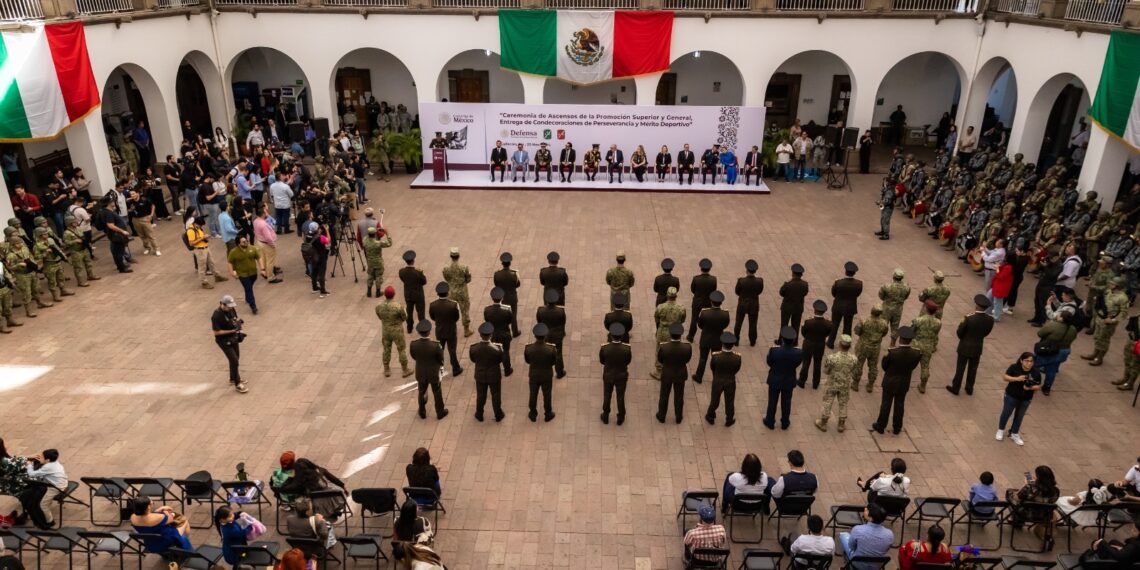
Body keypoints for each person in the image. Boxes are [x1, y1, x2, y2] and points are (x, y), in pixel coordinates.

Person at [871, 326, 921, 435]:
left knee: (886, 404)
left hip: (890, 381)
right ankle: (897, 427)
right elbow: (913, 366)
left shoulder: (893, 352)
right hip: (904, 382)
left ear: (901, 339)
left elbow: (884, 366)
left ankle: (881, 425)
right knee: (900, 404)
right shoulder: (916, 353)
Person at [947, 295, 995, 396]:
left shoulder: (969, 318)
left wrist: (965, 338)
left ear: (976, 306)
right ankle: (969, 388)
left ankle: (956, 388)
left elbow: (960, 332)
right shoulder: (990, 319)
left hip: (965, 346)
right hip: (978, 346)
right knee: (973, 369)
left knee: (960, 368)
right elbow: (987, 332)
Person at [995, 352, 1042, 446]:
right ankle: (1000, 430)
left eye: (1031, 361)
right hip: (1011, 396)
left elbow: (1038, 386)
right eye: (1026, 361)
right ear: (1021, 360)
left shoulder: (1036, 372)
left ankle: (1014, 433)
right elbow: (1005, 377)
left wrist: (1030, 388)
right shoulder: (1014, 367)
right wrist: (1017, 379)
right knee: (1006, 413)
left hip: (1026, 398)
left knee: (1019, 416)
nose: (1029, 363)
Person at [1083, 276, 1129, 366]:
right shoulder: (1108, 291)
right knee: (1097, 336)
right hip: (1100, 318)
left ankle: (1099, 358)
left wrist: (1113, 320)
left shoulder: (1123, 298)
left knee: (1104, 340)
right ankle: (1094, 353)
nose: (1110, 284)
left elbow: (1123, 313)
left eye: (1112, 284)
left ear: (1118, 286)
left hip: (1109, 322)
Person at [814, 334, 857, 432]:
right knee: (843, 403)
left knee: (828, 401)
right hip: (845, 385)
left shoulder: (832, 358)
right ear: (849, 346)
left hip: (832, 383)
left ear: (839, 344)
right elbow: (854, 370)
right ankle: (841, 425)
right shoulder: (854, 359)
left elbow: (826, 371)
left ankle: (823, 423)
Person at [279, 459, 348, 519]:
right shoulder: (320, 471)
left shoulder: (301, 484)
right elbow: (333, 478)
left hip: (316, 508)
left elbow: (282, 489)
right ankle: (334, 511)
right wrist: (343, 486)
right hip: (335, 500)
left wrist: (290, 477)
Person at [763, 326, 803, 431]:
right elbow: (797, 364)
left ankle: (770, 421)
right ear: (793, 340)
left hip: (775, 378)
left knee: (772, 401)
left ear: (782, 339)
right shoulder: (798, 353)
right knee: (786, 402)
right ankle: (785, 422)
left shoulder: (774, 350)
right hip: (788, 380)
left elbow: (769, 362)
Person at [410, 320, 448, 420]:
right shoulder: (436, 345)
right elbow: (441, 359)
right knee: (437, 392)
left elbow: (414, 356)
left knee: (421, 392)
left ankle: (422, 411)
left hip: (421, 371)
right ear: (429, 331)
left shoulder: (413, 344)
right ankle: (440, 412)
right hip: (433, 372)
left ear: (418, 332)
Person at [375, 286, 415, 378]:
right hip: (397, 331)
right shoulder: (398, 306)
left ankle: (386, 369)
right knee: (401, 349)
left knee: (386, 349)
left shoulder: (379, 306)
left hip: (386, 330)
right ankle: (405, 370)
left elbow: (379, 315)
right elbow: (404, 317)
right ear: (394, 294)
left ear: (385, 294)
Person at [657, 322, 693, 424]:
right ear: (681, 334)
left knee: (664, 395)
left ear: (670, 333)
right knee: (679, 396)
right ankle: (678, 417)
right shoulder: (687, 347)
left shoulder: (664, 347)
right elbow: (687, 359)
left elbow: (660, 359)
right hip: (680, 374)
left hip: (667, 373)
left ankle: (662, 416)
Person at [21, 449, 66, 528]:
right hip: (61, 482)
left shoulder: (48, 467)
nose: (39, 458)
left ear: (47, 460)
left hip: (56, 487)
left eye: (41, 457)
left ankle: (50, 522)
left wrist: (29, 465)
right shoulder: (54, 462)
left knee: (43, 505)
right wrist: (41, 460)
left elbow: (32, 474)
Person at [470, 322, 505, 422]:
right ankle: (498, 414)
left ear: (480, 335)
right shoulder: (498, 349)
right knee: (496, 394)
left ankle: (479, 414)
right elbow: (500, 359)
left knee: (481, 395)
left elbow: (473, 359)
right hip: (494, 375)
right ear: (491, 335)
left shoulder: (473, 348)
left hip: (480, 374)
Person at [839, 503, 893, 569]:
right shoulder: (889, 534)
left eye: (867, 510)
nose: (865, 509)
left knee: (843, 535)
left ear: (870, 518)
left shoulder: (858, 529)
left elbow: (852, 547)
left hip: (857, 563)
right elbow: (885, 550)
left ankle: (847, 562)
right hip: (876, 566)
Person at [1007, 465, 1060, 532]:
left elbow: (1016, 498)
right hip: (1043, 516)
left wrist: (1026, 485)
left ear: (1039, 478)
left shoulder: (1030, 487)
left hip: (1025, 514)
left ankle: (1018, 522)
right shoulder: (1056, 491)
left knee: (1009, 493)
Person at [1035, 311, 1077, 395]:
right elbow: (1073, 338)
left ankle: (1034, 383)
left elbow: (1040, 333)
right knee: (1052, 370)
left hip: (1048, 350)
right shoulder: (1073, 329)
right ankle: (1047, 388)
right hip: (1063, 351)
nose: (1057, 315)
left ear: (1062, 318)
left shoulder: (1053, 325)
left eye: (1059, 314)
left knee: (1035, 366)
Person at [705, 332, 742, 426]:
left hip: (718, 380)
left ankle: (710, 416)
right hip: (730, 381)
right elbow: (737, 369)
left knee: (714, 399)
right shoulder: (737, 357)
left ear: (722, 344)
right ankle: (729, 419)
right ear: (733, 345)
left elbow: (712, 367)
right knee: (729, 401)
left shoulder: (716, 356)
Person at [693, 291, 730, 384]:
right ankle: (716, 377)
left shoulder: (705, 313)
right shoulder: (725, 314)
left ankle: (699, 376)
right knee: (716, 359)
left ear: (711, 301)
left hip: (705, 338)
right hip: (718, 339)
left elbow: (700, 325)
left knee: (703, 359)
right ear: (721, 303)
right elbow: (725, 325)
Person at [212, 295, 247, 393]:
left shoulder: (231, 309)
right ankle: (237, 383)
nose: (230, 308)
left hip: (233, 338)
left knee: (236, 357)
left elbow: (235, 318)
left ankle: (232, 377)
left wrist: (238, 324)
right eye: (228, 306)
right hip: (223, 341)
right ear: (222, 304)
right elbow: (216, 332)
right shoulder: (216, 315)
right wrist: (232, 330)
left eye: (231, 306)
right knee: (234, 360)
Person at [599, 322, 632, 425]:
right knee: (620, 396)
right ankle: (621, 417)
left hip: (608, 374)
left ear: (610, 335)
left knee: (607, 394)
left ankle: (605, 415)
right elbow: (628, 361)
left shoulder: (605, 348)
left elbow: (602, 361)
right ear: (622, 336)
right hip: (621, 376)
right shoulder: (627, 348)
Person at [524, 323, 558, 422]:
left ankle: (533, 413)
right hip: (546, 374)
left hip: (534, 374)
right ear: (545, 336)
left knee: (533, 394)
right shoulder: (551, 349)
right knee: (547, 395)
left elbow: (527, 360)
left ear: (535, 336)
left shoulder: (528, 348)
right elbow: (554, 362)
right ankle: (548, 413)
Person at [429, 282, 463, 377]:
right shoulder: (453, 305)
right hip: (451, 330)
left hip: (439, 330)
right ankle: (455, 368)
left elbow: (432, 317)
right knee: (452, 350)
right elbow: (456, 317)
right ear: (447, 293)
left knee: (440, 350)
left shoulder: (433, 305)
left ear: (437, 293)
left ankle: (438, 369)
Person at [227, 235, 267, 315]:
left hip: (253, 273)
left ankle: (247, 297)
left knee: (248, 287)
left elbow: (259, 258)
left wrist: (262, 269)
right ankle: (253, 307)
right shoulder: (233, 252)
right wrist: (232, 272)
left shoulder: (252, 248)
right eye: (244, 242)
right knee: (249, 288)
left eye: (246, 241)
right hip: (242, 274)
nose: (246, 243)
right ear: (239, 244)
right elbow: (229, 262)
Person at [798, 300, 833, 389]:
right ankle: (815, 384)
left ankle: (802, 381)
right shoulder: (828, 324)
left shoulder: (808, 322)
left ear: (814, 310)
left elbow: (803, 332)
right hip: (820, 345)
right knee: (817, 363)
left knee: (806, 362)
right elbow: (828, 333)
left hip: (808, 343)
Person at [910, 300, 942, 393]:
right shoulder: (938, 322)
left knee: (909, 364)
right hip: (928, 346)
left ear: (926, 308)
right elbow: (935, 334)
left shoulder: (918, 320)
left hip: (916, 345)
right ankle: (923, 386)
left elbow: (911, 331)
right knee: (925, 366)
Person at [828, 262, 863, 348]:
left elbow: (833, 293)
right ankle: (846, 343)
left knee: (834, 325)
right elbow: (858, 294)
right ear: (854, 273)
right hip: (850, 307)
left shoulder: (838, 283)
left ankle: (830, 342)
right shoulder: (859, 283)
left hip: (838, 306)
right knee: (848, 326)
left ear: (845, 272)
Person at [535, 288, 568, 379]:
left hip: (545, 334)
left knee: (544, 351)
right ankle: (559, 372)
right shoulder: (560, 311)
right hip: (557, 334)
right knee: (558, 353)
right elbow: (563, 322)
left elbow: (539, 322)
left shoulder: (540, 310)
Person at [442, 247, 473, 337]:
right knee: (465, 310)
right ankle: (466, 330)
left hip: (451, 292)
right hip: (462, 292)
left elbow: (446, 279)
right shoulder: (464, 267)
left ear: (450, 256)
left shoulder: (446, 268)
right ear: (458, 256)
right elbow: (468, 279)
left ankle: (451, 329)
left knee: (451, 311)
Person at [484, 287, 515, 375]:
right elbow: (510, 320)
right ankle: (507, 370)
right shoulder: (507, 309)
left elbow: (486, 320)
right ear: (502, 298)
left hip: (493, 334)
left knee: (493, 352)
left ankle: (494, 370)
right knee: (506, 351)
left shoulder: (487, 310)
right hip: (504, 333)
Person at [733, 259, 764, 347]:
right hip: (754, 304)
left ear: (746, 270)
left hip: (742, 303)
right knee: (753, 324)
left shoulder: (741, 281)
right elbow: (760, 291)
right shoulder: (760, 281)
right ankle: (752, 341)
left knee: (738, 322)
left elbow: (737, 291)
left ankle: (736, 340)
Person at [687, 258, 718, 343]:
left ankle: (690, 336)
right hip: (708, 302)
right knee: (707, 319)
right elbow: (713, 291)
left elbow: (692, 289)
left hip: (697, 302)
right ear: (710, 269)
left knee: (694, 319)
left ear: (700, 268)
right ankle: (706, 336)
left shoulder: (696, 279)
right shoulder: (713, 279)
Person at [492, 253, 522, 338]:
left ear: (502, 263)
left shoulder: (497, 274)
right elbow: (518, 285)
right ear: (510, 263)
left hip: (502, 297)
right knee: (513, 314)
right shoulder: (514, 274)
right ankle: (515, 332)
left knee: (503, 314)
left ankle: (505, 331)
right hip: (512, 297)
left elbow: (496, 285)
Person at [400, 250, 429, 334]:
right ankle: (423, 329)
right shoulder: (418, 272)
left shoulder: (402, 271)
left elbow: (402, 279)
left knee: (409, 312)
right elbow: (424, 282)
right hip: (418, 295)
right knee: (421, 312)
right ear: (413, 260)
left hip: (408, 294)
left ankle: (409, 328)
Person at [778, 264, 809, 338]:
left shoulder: (788, 284)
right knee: (796, 326)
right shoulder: (805, 284)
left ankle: (781, 340)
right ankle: (794, 341)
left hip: (787, 307)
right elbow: (805, 293)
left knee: (784, 325)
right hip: (798, 307)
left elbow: (781, 293)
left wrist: (785, 284)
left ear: (793, 273)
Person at [253, 206, 282, 284]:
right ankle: (271, 277)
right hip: (266, 244)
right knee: (270, 261)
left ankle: (266, 273)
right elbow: (268, 238)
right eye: (265, 212)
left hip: (260, 242)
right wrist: (273, 245)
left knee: (265, 259)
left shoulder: (256, 221)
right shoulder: (263, 224)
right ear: (262, 214)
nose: (267, 213)